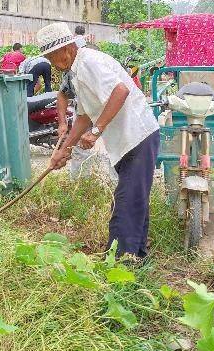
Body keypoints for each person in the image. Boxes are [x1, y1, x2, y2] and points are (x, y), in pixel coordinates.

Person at [42, 23, 159, 258]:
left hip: (138, 135)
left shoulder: (88, 63)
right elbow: (84, 117)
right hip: (127, 141)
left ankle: (118, 262)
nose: (54, 62)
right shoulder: (75, 72)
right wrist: (63, 150)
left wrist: (97, 131)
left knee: (126, 203)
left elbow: (120, 91)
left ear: (68, 48)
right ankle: (135, 258)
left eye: (54, 55)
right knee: (134, 201)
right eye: (49, 58)